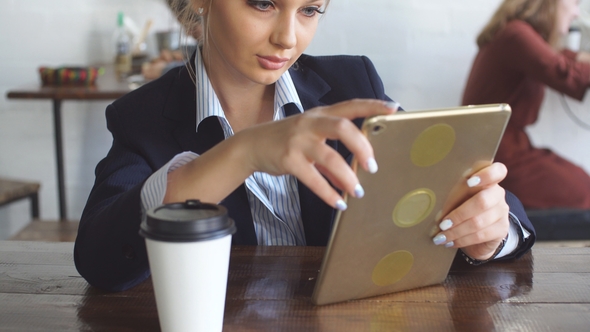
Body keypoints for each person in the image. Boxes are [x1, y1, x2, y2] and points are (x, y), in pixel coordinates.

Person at [75, 0, 535, 292]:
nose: (287, 37)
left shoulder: (352, 83)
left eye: (310, 10)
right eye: (262, 4)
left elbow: (449, 190)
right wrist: (244, 152)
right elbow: (100, 260)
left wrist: (490, 229)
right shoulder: (143, 116)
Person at [462, 0, 590, 209]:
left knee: (583, 182)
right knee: (583, 192)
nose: (576, 13)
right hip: (495, 154)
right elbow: (562, 70)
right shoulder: (515, 35)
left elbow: (564, 57)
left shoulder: (515, 33)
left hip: (507, 147)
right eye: (575, 2)